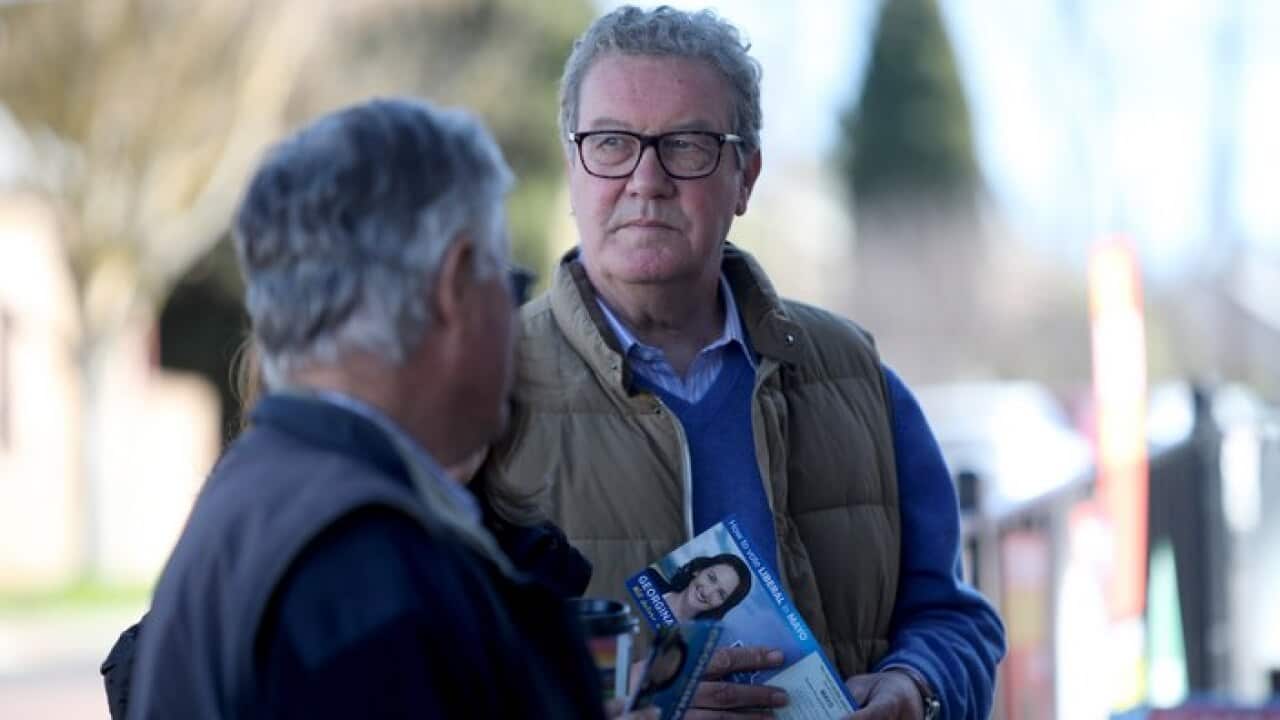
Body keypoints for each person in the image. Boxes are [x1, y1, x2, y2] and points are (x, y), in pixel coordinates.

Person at [476, 6, 1006, 719]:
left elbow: (955, 619)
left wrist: (919, 684)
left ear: (746, 176)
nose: (645, 179)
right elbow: (434, 668)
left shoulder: (854, 376)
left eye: (687, 145)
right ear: (573, 165)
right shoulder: (484, 391)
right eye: (610, 143)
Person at [123, 97, 608, 719]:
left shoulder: (264, 491)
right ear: (455, 285)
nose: (515, 326)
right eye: (506, 284)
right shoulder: (369, 569)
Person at [658, 554, 750, 622]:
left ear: (723, 605)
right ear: (698, 570)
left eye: (721, 594)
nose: (707, 592)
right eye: (711, 578)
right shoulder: (650, 577)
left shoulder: (690, 644)